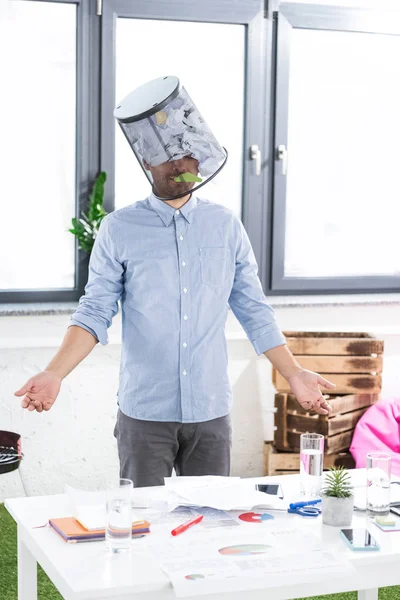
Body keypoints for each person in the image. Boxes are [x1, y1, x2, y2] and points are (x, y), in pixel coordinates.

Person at [14, 77, 334, 487]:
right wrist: (55, 373)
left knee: (207, 527)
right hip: (144, 413)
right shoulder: (119, 229)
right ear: (146, 160)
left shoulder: (225, 226)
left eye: (186, 154)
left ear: (200, 159)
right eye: (165, 156)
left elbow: (253, 309)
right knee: (143, 529)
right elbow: (94, 311)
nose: (178, 165)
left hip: (210, 412)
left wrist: (292, 374)